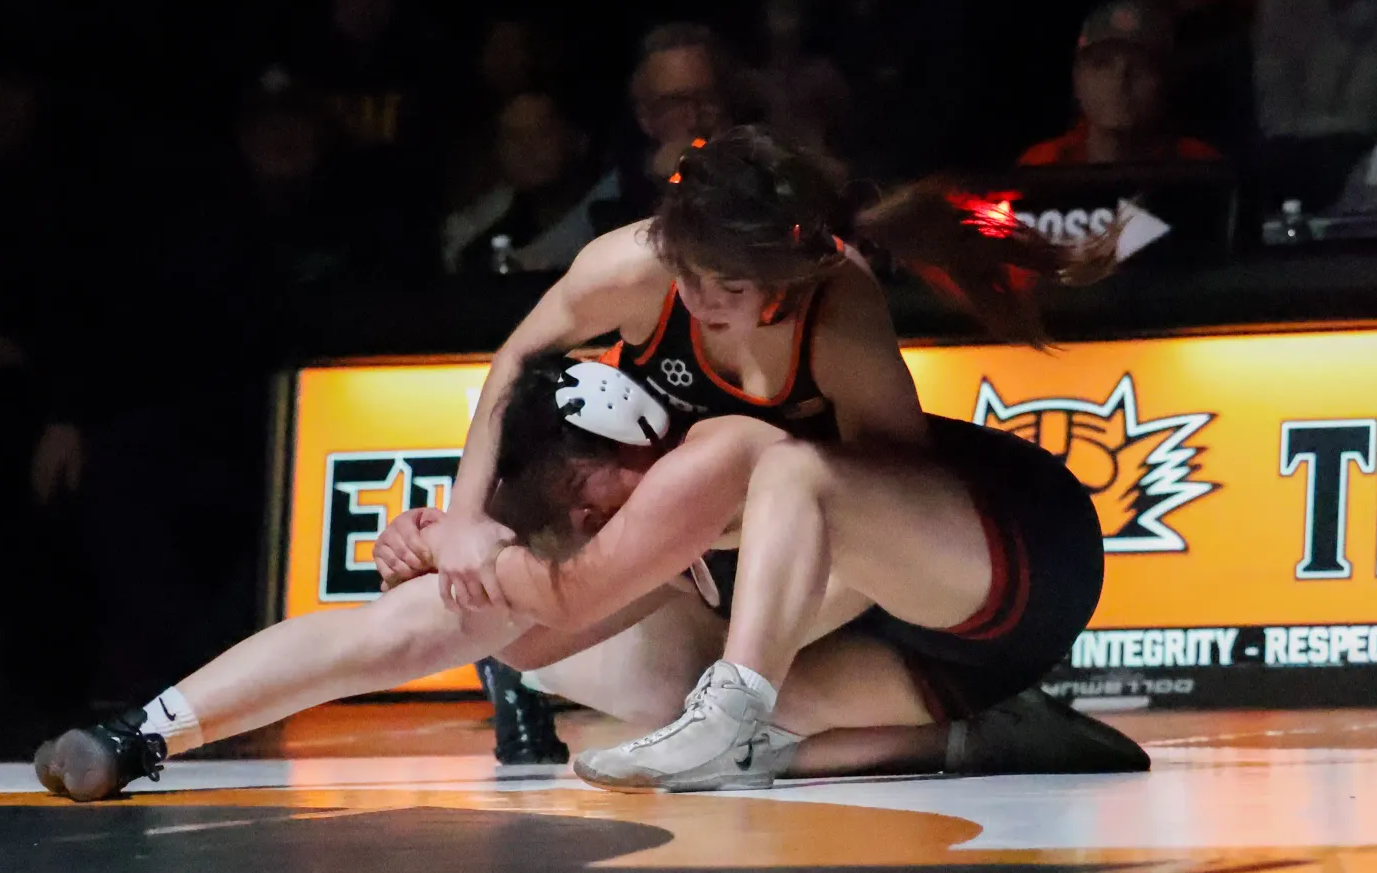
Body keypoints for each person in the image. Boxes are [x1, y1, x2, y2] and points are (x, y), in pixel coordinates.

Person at [34, 354, 1145, 802]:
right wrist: (146, 734)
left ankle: (971, 722)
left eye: (583, 503)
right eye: (561, 517)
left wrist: (508, 577)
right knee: (490, 640)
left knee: (727, 644)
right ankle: (147, 729)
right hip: (903, 660)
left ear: (636, 455)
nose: (580, 525)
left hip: (1002, 572)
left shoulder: (732, 450)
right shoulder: (617, 487)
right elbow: (384, 635)